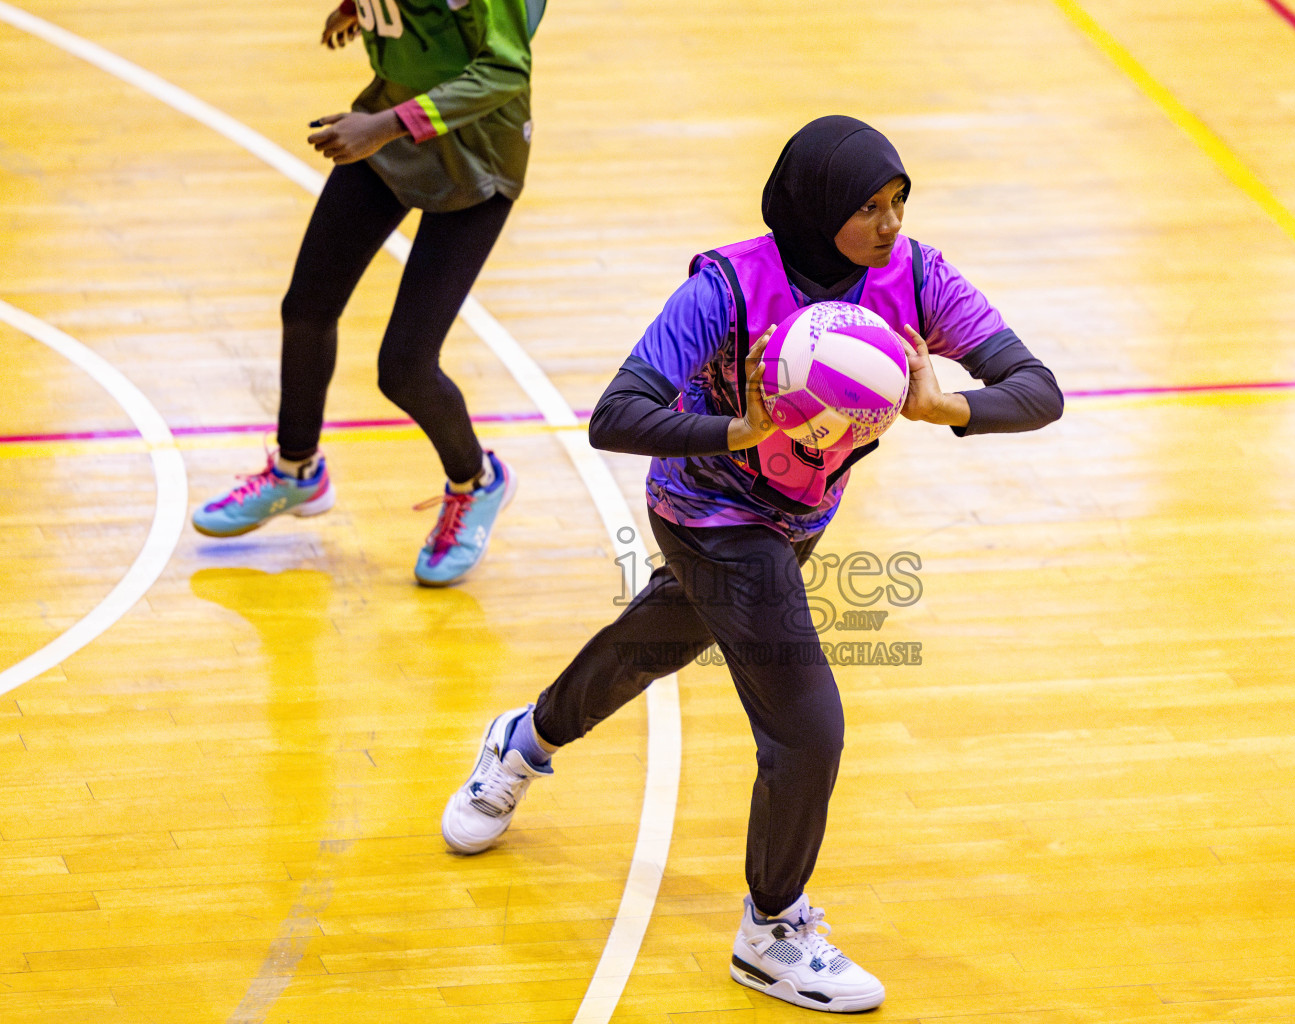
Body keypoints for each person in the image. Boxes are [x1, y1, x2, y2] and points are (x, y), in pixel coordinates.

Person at [440, 115, 1064, 1011]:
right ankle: (772, 932)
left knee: (655, 643)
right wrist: (740, 427)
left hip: (800, 515)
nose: (890, 224)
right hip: (709, 513)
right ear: (813, 211)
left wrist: (951, 406)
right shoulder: (727, 289)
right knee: (808, 725)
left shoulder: (916, 276)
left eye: (898, 201)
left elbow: (1038, 389)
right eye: (868, 208)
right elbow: (617, 413)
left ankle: (523, 741)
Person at [192, 0, 548, 587]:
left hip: (473, 156)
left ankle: (478, 480)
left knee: (405, 367)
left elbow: (506, 70)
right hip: (392, 124)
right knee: (306, 309)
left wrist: (382, 126)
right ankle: (297, 468)